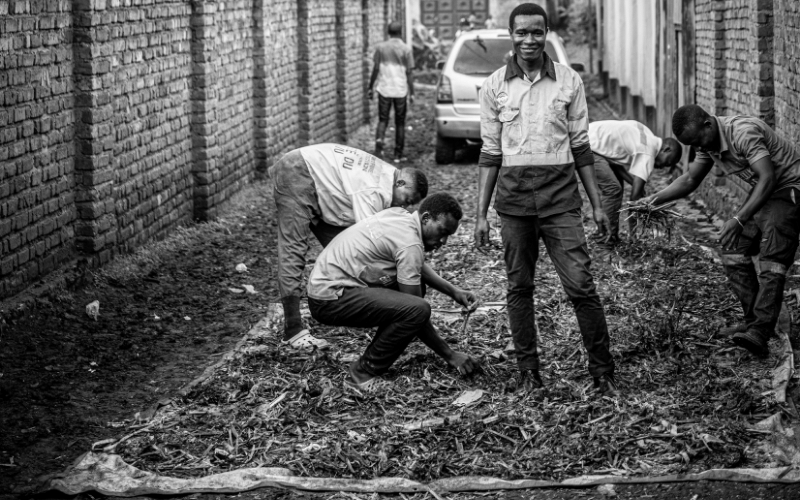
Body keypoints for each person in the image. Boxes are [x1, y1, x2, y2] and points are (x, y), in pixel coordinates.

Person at [475, 3, 618, 396]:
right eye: (521, 32)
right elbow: (490, 153)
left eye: (536, 32)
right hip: (515, 205)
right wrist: (481, 214)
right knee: (519, 288)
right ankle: (528, 372)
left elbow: (581, 148)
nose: (529, 40)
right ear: (511, 35)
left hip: (560, 203)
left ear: (547, 34)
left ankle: (602, 372)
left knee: (581, 286)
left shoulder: (570, 82)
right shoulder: (494, 87)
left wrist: (597, 204)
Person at [645, 104, 800, 357]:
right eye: (692, 146)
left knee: (772, 260)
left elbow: (768, 177)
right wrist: (652, 201)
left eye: (698, 141)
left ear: (708, 124)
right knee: (732, 248)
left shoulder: (742, 132)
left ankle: (760, 332)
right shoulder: (708, 144)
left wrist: (739, 218)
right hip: (766, 192)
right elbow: (690, 179)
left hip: (789, 188)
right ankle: (753, 323)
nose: (698, 149)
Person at [307, 193, 480, 392]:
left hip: (325, 288)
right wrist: (450, 354)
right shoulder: (411, 243)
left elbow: (415, 266)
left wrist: (454, 292)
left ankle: (367, 365)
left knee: (415, 295)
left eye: (449, 235)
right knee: (416, 309)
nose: (444, 240)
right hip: (331, 297)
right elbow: (415, 311)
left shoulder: (401, 216)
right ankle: (361, 376)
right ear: (425, 219)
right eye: (442, 231)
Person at [269, 143, 428, 348]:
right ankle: (293, 330)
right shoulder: (373, 190)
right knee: (294, 250)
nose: (404, 207)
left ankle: (342, 295)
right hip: (298, 172)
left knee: (343, 248)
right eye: (407, 200)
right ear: (401, 183)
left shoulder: (388, 176)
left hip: (320, 184)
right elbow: (369, 240)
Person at [589, 120, 683, 240]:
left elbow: (615, 162)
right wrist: (633, 234)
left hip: (588, 139)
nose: (663, 166)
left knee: (617, 184)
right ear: (667, 149)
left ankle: (611, 234)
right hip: (586, 146)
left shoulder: (647, 135)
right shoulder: (648, 153)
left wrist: (635, 184)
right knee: (613, 188)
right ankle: (606, 237)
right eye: (668, 162)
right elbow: (634, 201)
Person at [368, 21, 414, 162]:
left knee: (383, 119)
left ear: (388, 32)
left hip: (384, 89)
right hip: (400, 90)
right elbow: (410, 72)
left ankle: (379, 146)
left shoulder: (381, 48)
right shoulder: (406, 49)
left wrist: (370, 86)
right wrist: (412, 92)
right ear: (401, 32)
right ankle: (398, 154)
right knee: (400, 122)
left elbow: (376, 69)